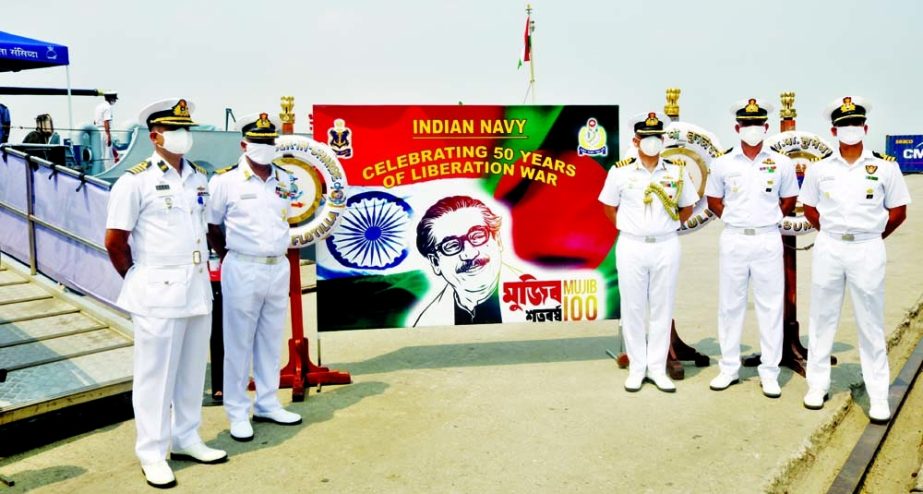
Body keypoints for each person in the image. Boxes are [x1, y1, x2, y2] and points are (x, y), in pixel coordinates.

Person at [105, 98, 227, 488]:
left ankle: (186, 436)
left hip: (195, 285)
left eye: (186, 129)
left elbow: (207, 227)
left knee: (192, 370)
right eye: (175, 130)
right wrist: (136, 278)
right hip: (156, 291)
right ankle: (152, 452)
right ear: (155, 136)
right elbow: (115, 241)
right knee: (155, 376)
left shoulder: (197, 178)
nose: (183, 136)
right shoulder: (135, 181)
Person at [799, 96, 910, 423]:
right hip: (830, 247)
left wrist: (870, 238)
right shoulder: (820, 168)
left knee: (871, 323)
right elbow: (809, 209)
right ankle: (817, 386)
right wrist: (834, 235)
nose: (850, 130)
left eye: (855, 124)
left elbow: (899, 212)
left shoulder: (885, 167)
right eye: (843, 125)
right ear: (834, 130)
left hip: (867, 249)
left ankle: (878, 395)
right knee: (821, 319)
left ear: (865, 127)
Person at [206, 112, 302, 442]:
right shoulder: (225, 181)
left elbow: (286, 220)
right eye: (258, 142)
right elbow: (212, 225)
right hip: (242, 265)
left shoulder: (286, 179)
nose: (264, 147)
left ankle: (267, 402)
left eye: (269, 141)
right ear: (244, 144)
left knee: (270, 338)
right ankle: (236, 410)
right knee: (238, 342)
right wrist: (227, 255)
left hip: (277, 265)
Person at [704, 98, 799, 398]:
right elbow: (713, 201)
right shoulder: (722, 163)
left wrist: (765, 220)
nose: (752, 129)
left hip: (768, 239)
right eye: (747, 124)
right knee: (730, 305)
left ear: (766, 127)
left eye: (757, 124)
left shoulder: (781, 163)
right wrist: (736, 219)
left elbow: (789, 200)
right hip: (734, 238)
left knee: (770, 307)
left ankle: (769, 372)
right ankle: (729, 368)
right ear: (737, 127)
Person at [598, 112, 698, 393]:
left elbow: (687, 206)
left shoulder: (676, 171)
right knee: (633, 308)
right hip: (632, 245)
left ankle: (656, 368)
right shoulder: (620, 171)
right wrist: (628, 228)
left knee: (662, 307)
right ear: (636, 140)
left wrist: (667, 224)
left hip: (666, 244)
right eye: (646, 138)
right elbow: (608, 206)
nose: (651, 143)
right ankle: (637, 368)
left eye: (656, 138)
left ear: (663, 140)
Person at [413, 195, 504, 327]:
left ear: (498, 240)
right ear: (435, 263)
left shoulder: (537, 294)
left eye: (477, 236)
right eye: (451, 245)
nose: (469, 253)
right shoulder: (426, 322)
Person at [95, 91, 119, 168]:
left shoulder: (99, 106)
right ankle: (108, 169)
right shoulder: (108, 107)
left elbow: (95, 121)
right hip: (104, 130)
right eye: (114, 99)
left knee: (100, 152)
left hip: (97, 131)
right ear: (111, 99)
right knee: (107, 153)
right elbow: (106, 121)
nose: (114, 101)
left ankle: (100, 168)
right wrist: (108, 136)